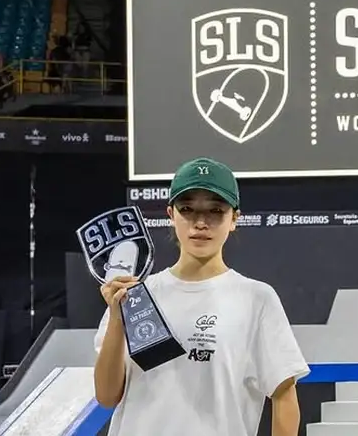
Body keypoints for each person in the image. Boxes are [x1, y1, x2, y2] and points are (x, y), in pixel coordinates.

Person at [94, 157, 308, 436]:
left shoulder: (256, 298)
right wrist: (117, 316)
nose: (200, 223)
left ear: (234, 219)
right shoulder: (137, 296)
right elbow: (106, 396)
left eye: (215, 210)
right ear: (171, 215)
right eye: (187, 209)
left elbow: (284, 395)